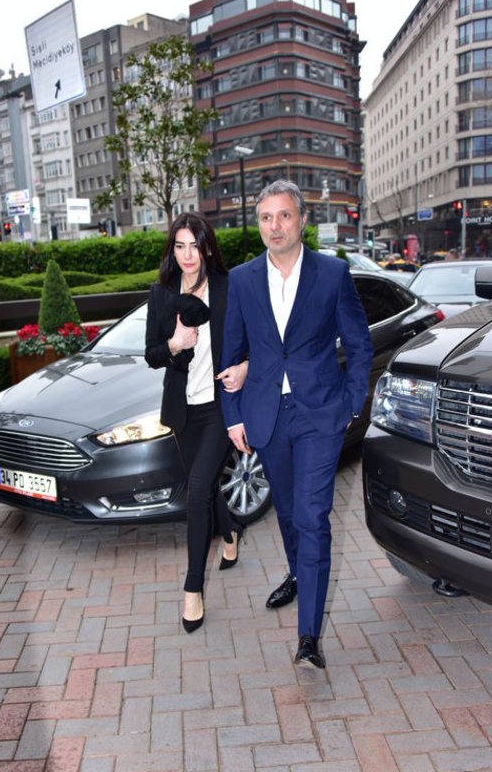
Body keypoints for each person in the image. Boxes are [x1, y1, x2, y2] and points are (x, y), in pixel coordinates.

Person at [220, 180, 373, 669]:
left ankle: (308, 636)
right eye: (266, 218)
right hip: (267, 415)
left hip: (319, 414)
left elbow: (359, 344)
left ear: (302, 220)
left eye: (284, 216)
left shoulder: (332, 274)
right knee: (287, 513)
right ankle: (298, 573)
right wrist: (232, 416)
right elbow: (231, 355)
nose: (275, 226)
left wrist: (351, 404)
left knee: (311, 517)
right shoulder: (243, 279)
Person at [145, 213, 248, 634]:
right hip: (183, 410)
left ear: (207, 247)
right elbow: (152, 354)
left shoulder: (228, 287)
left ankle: (192, 590)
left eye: (194, 245)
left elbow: (254, 340)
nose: (187, 255)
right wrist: (174, 344)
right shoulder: (162, 293)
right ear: (172, 250)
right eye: (179, 246)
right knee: (203, 487)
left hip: (219, 407)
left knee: (197, 491)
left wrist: (244, 367)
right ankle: (231, 532)